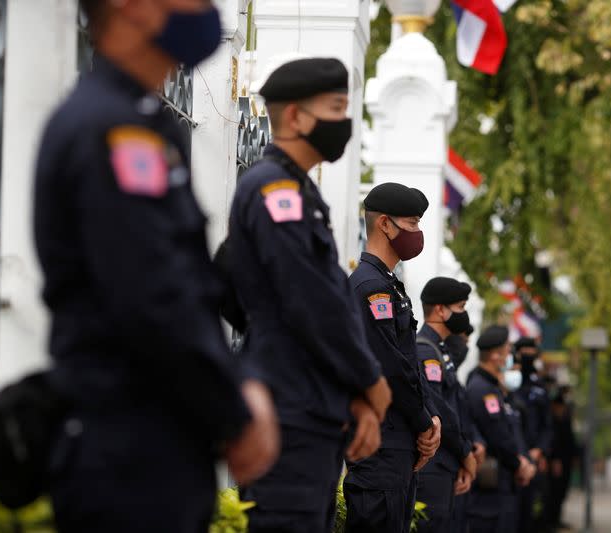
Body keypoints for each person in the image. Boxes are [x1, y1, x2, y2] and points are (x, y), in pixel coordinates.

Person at [34, 2, 279, 531]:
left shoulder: (140, 124)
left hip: (154, 444)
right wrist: (234, 411)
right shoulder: (111, 132)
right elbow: (152, 296)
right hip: (126, 450)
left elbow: (187, 287)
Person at [226, 56, 392, 533]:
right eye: (336, 107)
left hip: (307, 406)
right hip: (287, 412)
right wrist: (368, 381)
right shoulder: (277, 192)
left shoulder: (299, 193)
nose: (345, 121)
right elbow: (314, 302)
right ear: (296, 116)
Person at [343, 183, 441, 533]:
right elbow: (391, 368)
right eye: (412, 223)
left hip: (397, 448)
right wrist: (424, 423)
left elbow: (409, 359)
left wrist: (429, 415)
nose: (417, 233)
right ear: (385, 224)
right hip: (379, 449)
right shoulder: (370, 287)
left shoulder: (389, 285)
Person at [414, 277, 479, 533]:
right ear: (440, 310)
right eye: (461, 307)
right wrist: (465, 452)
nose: (463, 315)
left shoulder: (440, 352)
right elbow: (439, 408)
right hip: (433, 468)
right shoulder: (426, 352)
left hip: (445, 465)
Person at [465, 325, 536, 533]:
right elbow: (497, 436)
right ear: (495, 355)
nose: (510, 356)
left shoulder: (494, 388)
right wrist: (518, 464)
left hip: (504, 484)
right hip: (491, 490)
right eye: (507, 350)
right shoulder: (482, 389)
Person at [445, 323, 487, 533]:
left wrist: (476, 442)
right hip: (446, 466)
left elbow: (465, 419)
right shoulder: (430, 360)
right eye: (463, 340)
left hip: (460, 467)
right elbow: (445, 419)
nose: (465, 347)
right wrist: (465, 453)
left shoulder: (457, 382)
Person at [513, 337, 553, 532]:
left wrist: (540, 450)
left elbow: (548, 424)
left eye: (531, 350)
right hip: (511, 453)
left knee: (533, 510)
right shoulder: (510, 381)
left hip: (534, 454)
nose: (528, 354)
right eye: (524, 351)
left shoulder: (540, 387)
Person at [544, 385, 577, 531]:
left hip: (566, 459)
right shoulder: (554, 420)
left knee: (562, 491)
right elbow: (555, 441)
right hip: (558, 460)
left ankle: (556, 519)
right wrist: (556, 459)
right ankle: (550, 521)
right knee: (554, 492)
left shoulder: (566, 415)